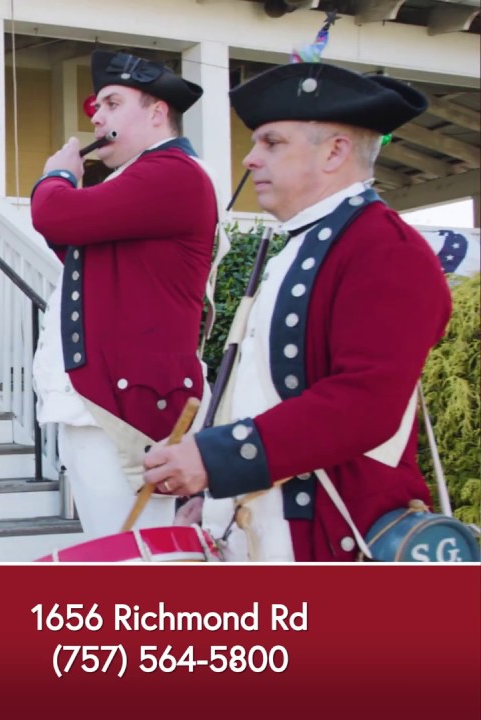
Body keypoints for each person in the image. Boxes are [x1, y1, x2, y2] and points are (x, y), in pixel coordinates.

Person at [141, 62, 451, 562]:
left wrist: (216, 458)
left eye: (272, 142)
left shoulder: (386, 250)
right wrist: (211, 494)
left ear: (335, 151)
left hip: (331, 538)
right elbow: (259, 393)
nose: (249, 159)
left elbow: (363, 404)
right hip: (265, 529)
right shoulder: (303, 243)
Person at [29, 49, 220, 538]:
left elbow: (55, 215)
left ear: (157, 111)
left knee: (132, 558)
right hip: (102, 401)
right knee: (118, 550)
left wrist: (58, 176)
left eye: (112, 103)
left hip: (123, 410)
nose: (98, 117)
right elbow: (76, 249)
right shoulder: (142, 180)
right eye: (97, 107)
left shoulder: (170, 173)